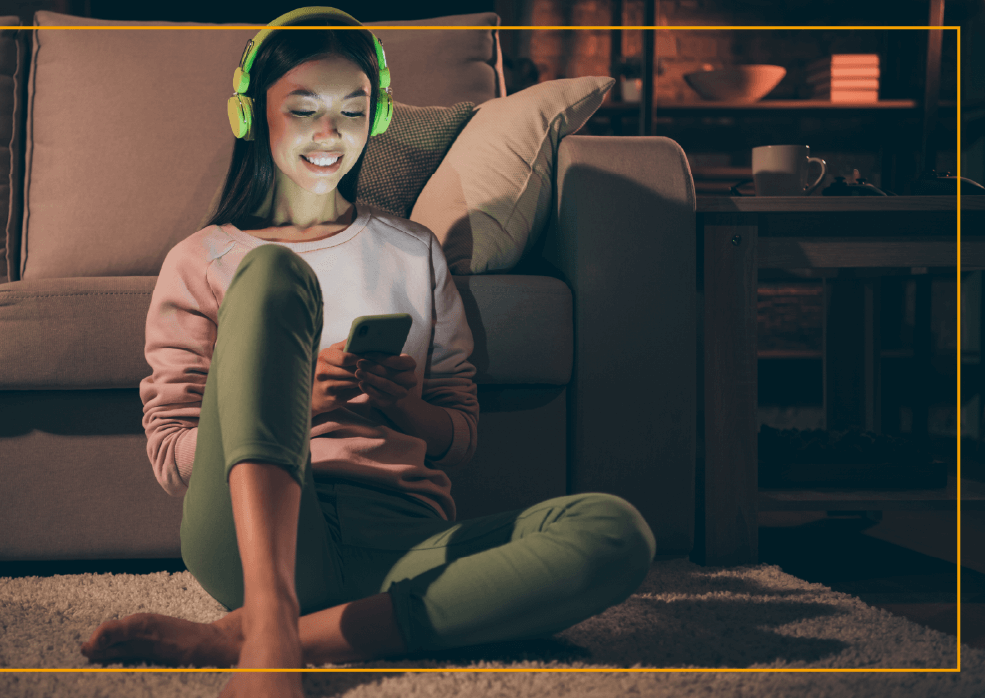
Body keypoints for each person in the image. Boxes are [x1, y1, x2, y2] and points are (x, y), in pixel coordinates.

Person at [81, 8, 657, 698]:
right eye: (304, 110)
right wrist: (294, 411)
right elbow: (173, 455)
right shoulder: (202, 259)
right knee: (272, 274)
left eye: (353, 111)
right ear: (250, 116)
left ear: (376, 119)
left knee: (614, 532)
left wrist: (407, 407)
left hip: (402, 541)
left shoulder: (413, 250)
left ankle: (257, 636)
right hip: (258, 536)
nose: (331, 135)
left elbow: (460, 438)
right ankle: (269, 616)